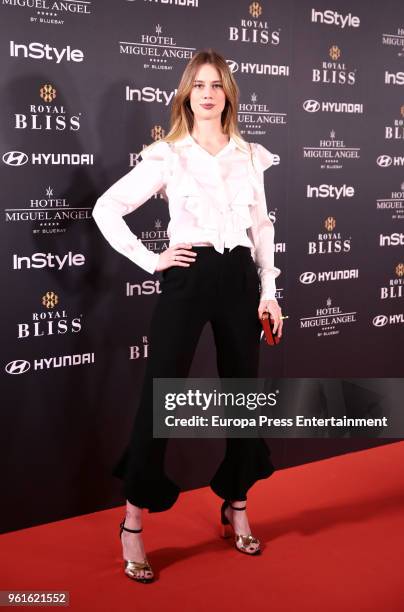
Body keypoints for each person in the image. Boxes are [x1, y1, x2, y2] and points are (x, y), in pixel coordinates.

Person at [92, 49, 283, 584]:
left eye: (216, 84)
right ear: (185, 93)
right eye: (198, 84)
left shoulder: (249, 154)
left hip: (240, 278)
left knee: (243, 397)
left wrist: (269, 291)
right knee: (162, 397)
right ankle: (133, 522)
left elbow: (261, 227)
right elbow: (106, 208)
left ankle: (237, 506)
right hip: (188, 275)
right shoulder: (168, 154)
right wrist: (153, 260)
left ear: (228, 94)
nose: (207, 92)